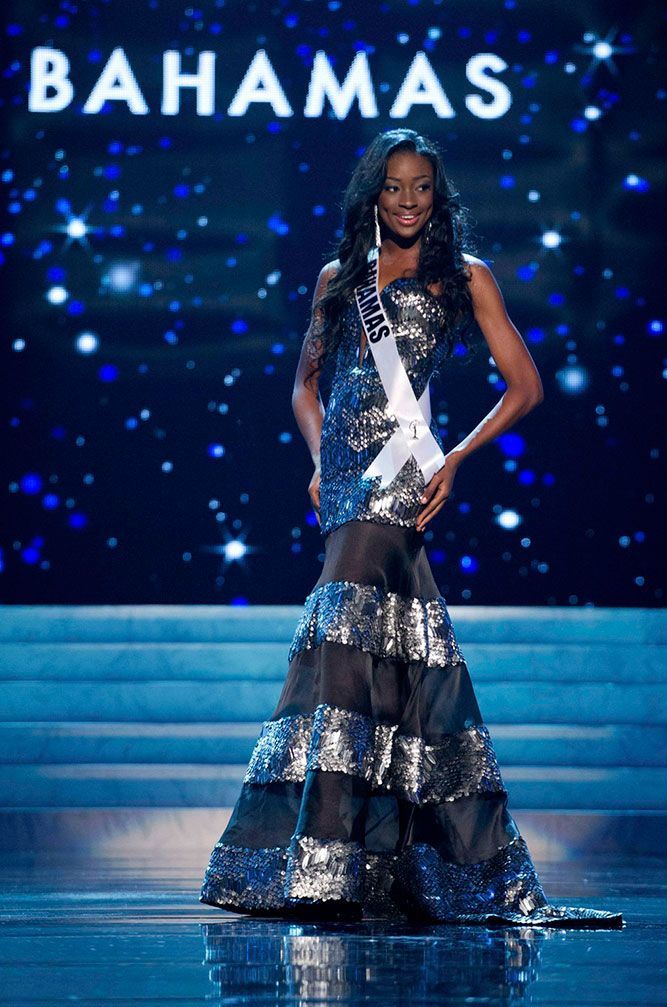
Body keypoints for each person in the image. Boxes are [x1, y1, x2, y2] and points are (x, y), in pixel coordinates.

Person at [199, 128, 623, 927]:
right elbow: (305, 386)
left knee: (342, 651)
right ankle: (386, 859)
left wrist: (455, 457)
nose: (406, 201)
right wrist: (320, 457)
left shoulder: (463, 276)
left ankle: (327, 861)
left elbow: (525, 385)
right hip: (345, 485)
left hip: (402, 477)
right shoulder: (338, 277)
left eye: (421, 187)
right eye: (393, 186)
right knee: (386, 659)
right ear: (373, 192)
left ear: (438, 194)